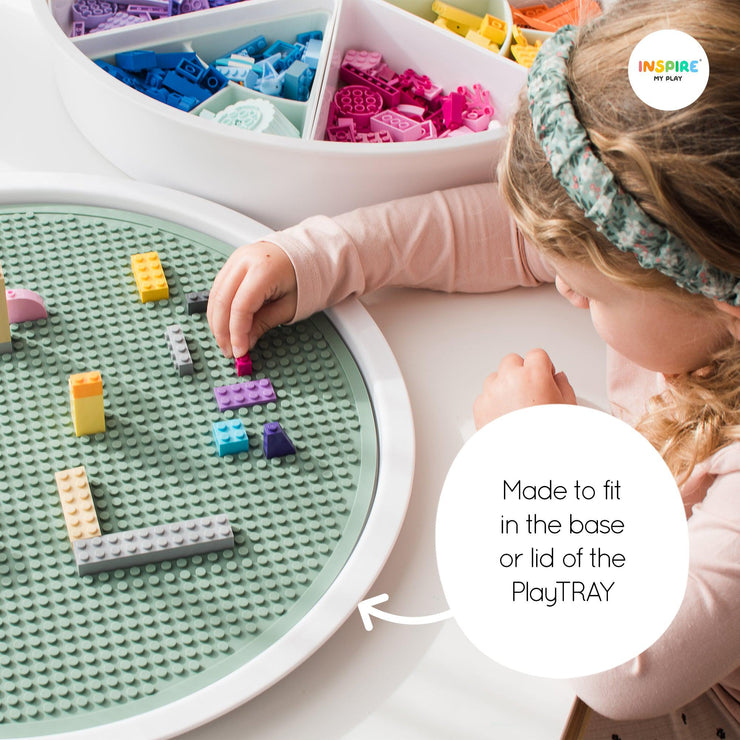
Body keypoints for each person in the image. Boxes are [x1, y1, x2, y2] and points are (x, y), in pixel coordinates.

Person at [207, 0, 740, 736]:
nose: (561, 288)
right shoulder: (691, 280)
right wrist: (329, 255)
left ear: (722, 307)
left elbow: (626, 664)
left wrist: (540, 453)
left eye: (584, 292)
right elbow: (517, 236)